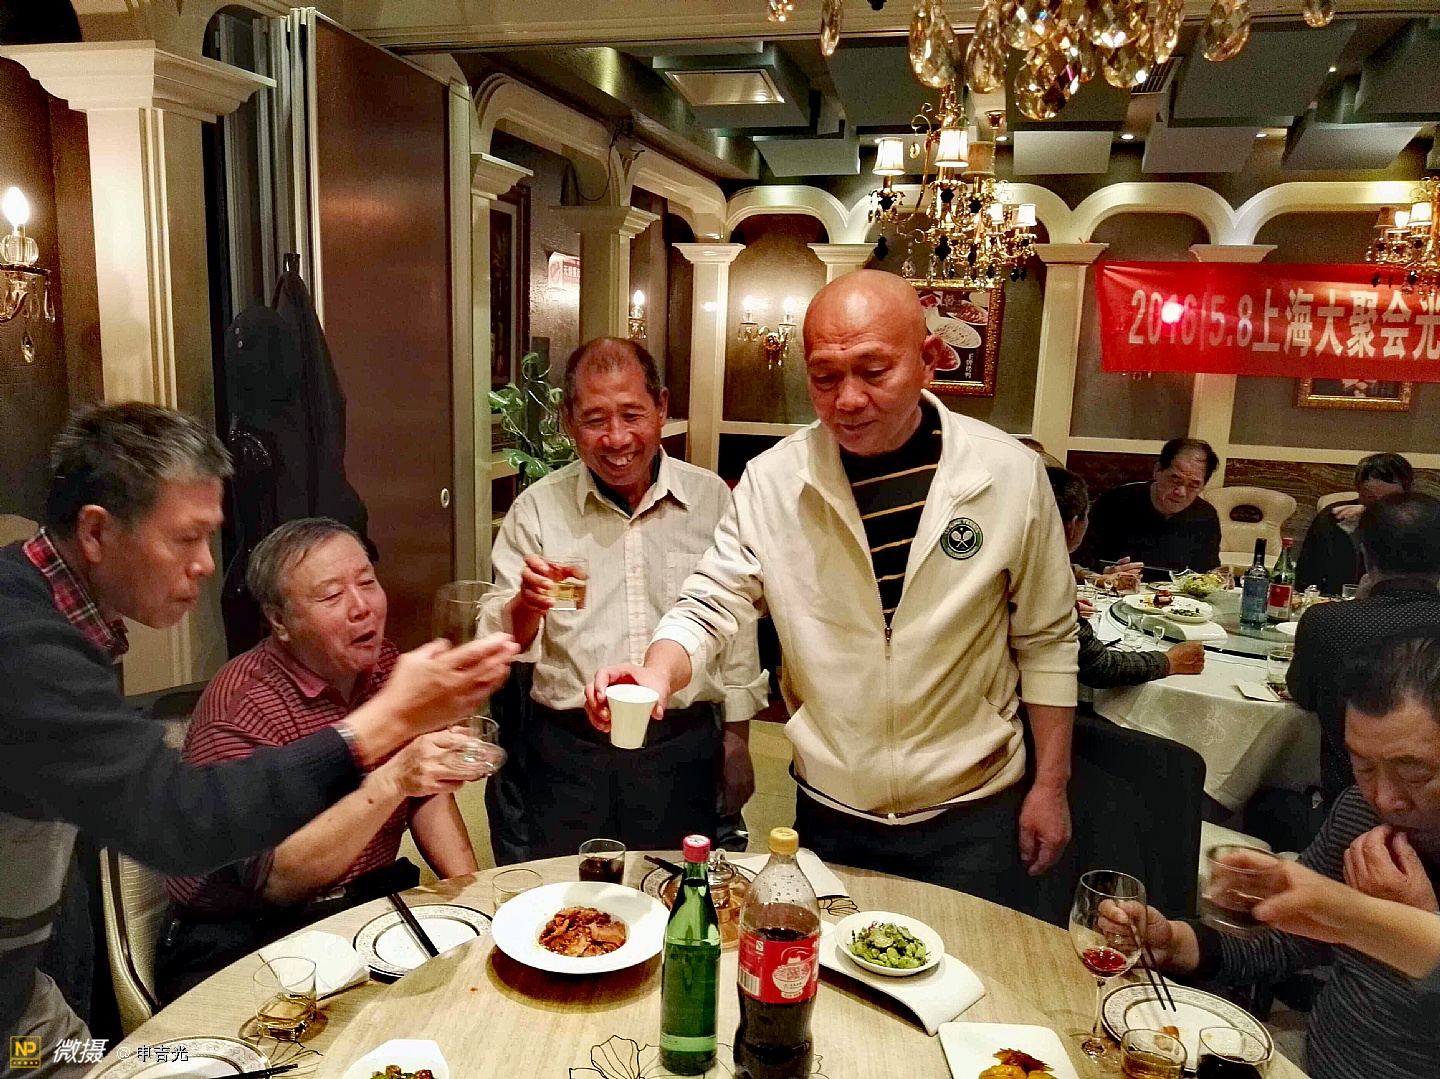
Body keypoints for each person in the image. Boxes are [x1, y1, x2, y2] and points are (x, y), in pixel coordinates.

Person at [0, 404, 517, 1077]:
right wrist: (388, 727)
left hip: (23, 1005)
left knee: (100, 1063)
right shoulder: (22, 643)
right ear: (97, 531)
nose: (204, 565)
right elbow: (180, 819)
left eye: (210, 538)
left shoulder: (62, 622)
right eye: (186, 539)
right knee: (159, 1060)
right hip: (243, 941)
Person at [588, 271, 1079, 917]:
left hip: (973, 805)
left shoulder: (1008, 474)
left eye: (873, 371)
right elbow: (709, 600)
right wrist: (657, 671)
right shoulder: (774, 482)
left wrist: (1051, 783)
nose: (848, 399)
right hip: (830, 806)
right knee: (829, 971)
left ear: (930, 359)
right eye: (824, 377)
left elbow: (1047, 637)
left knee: (969, 972)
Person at [156, 518, 484, 1001]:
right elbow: (278, 881)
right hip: (246, 935)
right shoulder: (241, 707)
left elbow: (425, 796)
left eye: (367, 582)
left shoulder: (386, 667)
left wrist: (475, 898)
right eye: (331, 595)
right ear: (279, 621)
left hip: (365, 905)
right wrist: (393, 777)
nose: (361, 607)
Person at [480, 338, 766, 858]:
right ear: (569, 421)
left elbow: (736, 626)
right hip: (568, 750)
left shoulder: (710, 500)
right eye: (595, 420)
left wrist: (737, 737)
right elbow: (503, 646)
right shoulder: (538, 511)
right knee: (570, 892)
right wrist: (526, 604)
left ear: (661, 406)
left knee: (675, 887)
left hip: (681, 743)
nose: (616, 439)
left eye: (632, 415)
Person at [1139, 632, 1440, 1079]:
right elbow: (1288, 942)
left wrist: (1397, 924)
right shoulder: (1360, 811)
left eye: (1414, 775)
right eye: (1363, 766)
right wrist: (1178, 943)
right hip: (1307, 1060)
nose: (1384, 797)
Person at [1289, 493, 1440, 808]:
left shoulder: (1326, 622)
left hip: (1349, 803)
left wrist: (1358, 603)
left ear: (1365, 555)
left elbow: (1303, 695)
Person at [1047, 467, 1205, 688]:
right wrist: (1170, 661)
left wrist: (1092, 582)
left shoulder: (1021, 554)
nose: (1181, 491)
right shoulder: (1047, 580)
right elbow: (1098, 666)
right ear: (1072, 525)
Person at [1250, 859, 1440, 990]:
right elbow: (1289, 941)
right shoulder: (1360, 814)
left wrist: (1407, 929)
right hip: (1318, 1031)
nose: (1385, 802)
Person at [1081, 438, 1222, 581]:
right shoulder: (1114, 502)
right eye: (1175, 480)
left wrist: (1218, 578)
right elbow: (1079, 561)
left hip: (1178, 594)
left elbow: (1206, 572)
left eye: (1193, 485)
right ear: (1157, 470)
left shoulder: (1206, 516)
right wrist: (1104, 572)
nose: (1181, 492)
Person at [1296, 452, 1413, 597]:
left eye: (1389, 500)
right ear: (1359, 490)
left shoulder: (1416, 521)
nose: (1379, 506)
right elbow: (1305, 576)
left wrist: (1372, 517)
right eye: (1370, 498)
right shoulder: (1333, 518)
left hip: (1395, 603)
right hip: (1336, 601)